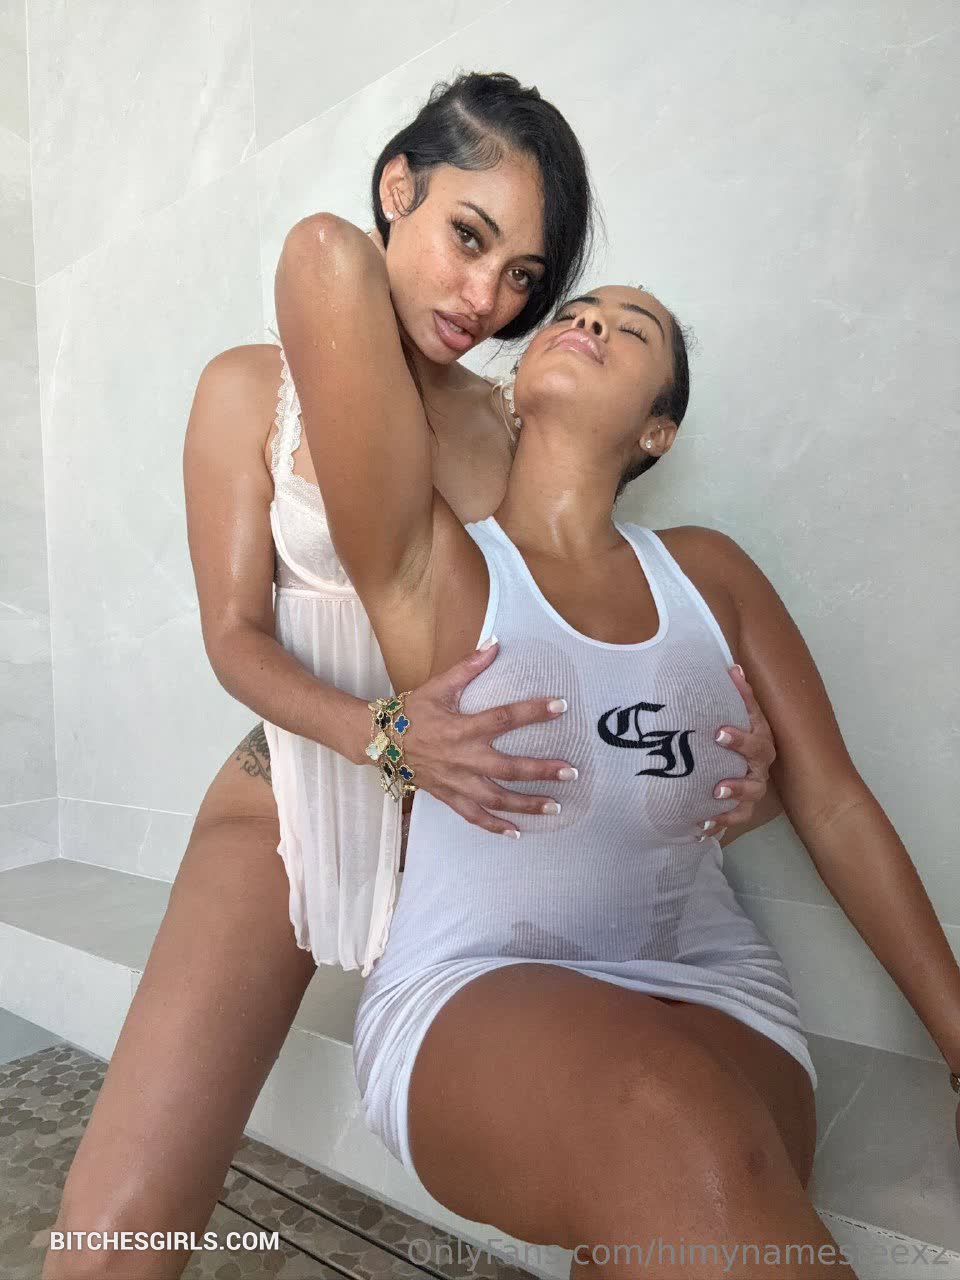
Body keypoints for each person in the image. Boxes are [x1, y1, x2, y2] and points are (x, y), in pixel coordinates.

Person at [42, 75, 779, 1280]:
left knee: (651, 1176)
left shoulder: (516, 417)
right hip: (298, 796)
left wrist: (735, 760)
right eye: (468, 239)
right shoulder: (247, 389)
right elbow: (233, 636)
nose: (486, 300)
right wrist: (382, 734)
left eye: (522, 276)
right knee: (120, 1228)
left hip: (482, 843)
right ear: (399, 188)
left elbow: (592, 621)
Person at [277, 205, 960, 1272]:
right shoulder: (438, 565)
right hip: (472, 985)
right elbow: (324, 261)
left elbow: (832, 802)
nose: (588, 322)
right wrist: (460, 299)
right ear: (517, 378)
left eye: (630, 330)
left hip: (714, 987)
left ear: (658, 432)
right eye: (575, 311)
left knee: (682, 1178)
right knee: (667, 1110)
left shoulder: (709, 573)